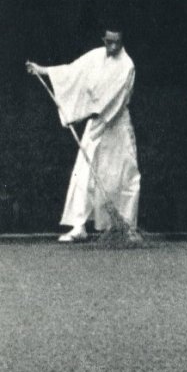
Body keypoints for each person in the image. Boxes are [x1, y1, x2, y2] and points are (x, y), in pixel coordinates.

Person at [26, 28, 141, 243]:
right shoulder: (96, 56)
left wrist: (85, 114)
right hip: (96, 123)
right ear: (103, 39)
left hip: (115, 125)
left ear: (122, 40)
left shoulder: (128, 66)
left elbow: (112, 101)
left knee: (122, 173)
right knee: (83, 173)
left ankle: (124, 227)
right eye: (109, 42)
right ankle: (79, 226)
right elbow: (72, 72)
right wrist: (42, 70)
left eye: (117, 42)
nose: (112, 46)